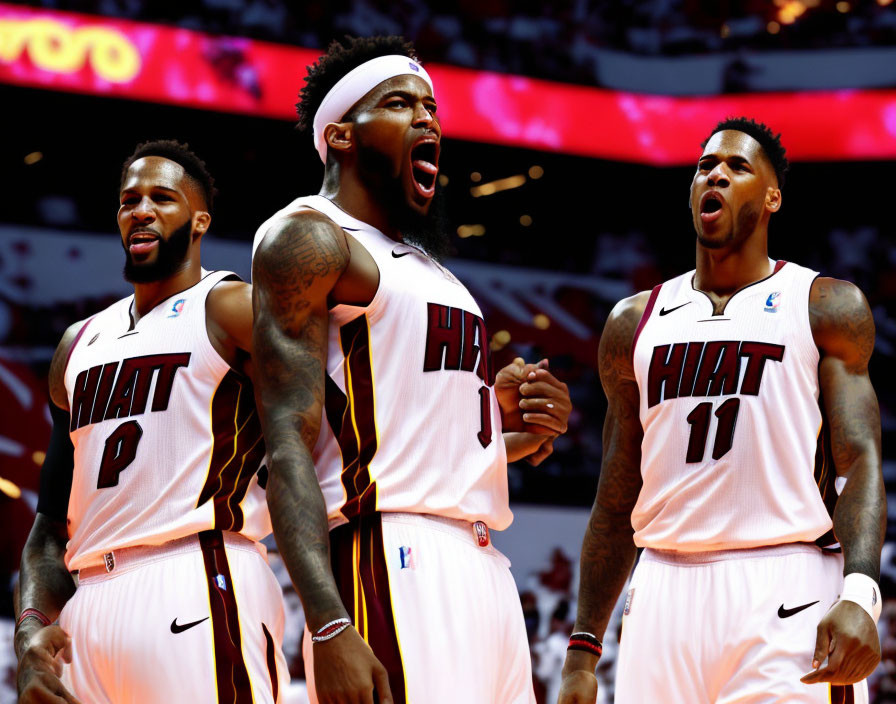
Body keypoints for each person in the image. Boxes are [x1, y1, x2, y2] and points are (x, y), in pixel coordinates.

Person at [251, 35, 572, 704]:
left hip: (482, 561)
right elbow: (287, 441)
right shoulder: (309, 236)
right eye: (401, 104)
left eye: (432, 107)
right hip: (389, 557)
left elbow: (413, 428)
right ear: (339, 135)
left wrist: (508, 421)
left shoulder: (433, 270)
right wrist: (329, 619)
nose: (427, 119)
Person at [557, 117, 884, 703]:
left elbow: (858, 460)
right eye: (705, 166)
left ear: (773, 196)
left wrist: (860, 593)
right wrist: (583, 649)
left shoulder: (825, 306)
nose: (716, 175)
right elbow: (616, 493)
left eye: (737, 167)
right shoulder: (634, 322)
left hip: (787, 583)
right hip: (660, 591)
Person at [15, 140, 288, 703]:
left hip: (196, 573)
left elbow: (353, 412)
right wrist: (29, 632)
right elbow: (48, 527)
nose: (140, 210)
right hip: (87, 603)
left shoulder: (233, 306)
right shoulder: (79, 343)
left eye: (162, 198)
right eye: (128, 201)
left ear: (199, 221)